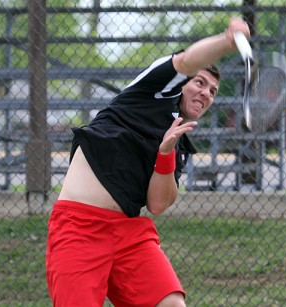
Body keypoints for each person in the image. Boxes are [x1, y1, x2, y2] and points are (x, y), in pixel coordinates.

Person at [46, 17, 250, 307]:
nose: (206, 93)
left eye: (213, 91)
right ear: (181, 84)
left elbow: (157, 204)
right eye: (200, 83)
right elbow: (185, 62)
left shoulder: (178, 141)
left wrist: (165, 153)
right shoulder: (148, 92)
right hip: (80, 228)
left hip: (129, 233)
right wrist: (227, 41)